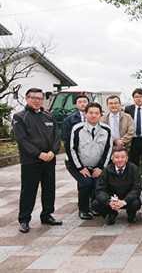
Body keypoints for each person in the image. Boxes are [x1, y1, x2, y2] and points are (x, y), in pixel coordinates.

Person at [12, 88, 62, 233]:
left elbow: (56, 136)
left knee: (49, 189)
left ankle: (47, 215)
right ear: (27, 99)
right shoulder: (20, 117)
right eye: (34, 98)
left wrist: (53, 151)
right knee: (29, 190)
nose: (37, 101)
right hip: (31, 161)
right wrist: (38, 154)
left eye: (40, 98)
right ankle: (24, 220)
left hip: (49, 160)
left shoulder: (48, 116)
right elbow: (22, 140)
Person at [68, 102, 113, 220]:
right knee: (85, 183)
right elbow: (71, 149)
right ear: (85, 114)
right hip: (77, 164)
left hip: (97, 165)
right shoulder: (77, 129)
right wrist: (80, 168)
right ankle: (83, 209)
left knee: (97, 183)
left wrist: (101, 168)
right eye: (91, 113)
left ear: (100, 115)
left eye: (96, 113)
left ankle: (95, 207)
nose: (94, 116)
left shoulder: (106, 130)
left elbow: (108, 150)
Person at [91, 147, 142, 225]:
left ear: (127, 158)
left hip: (126, 198)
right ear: (112, 159)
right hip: (112, 198)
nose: (120, 160)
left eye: (123, 157)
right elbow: (100, 190)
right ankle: (110, 214)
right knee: (95, 204)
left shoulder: (133, 169)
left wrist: (124, 201)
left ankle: (131, 214)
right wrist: (109, 202)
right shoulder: (106, 170)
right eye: (117, 157)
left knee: (136, 203)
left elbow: (136, 188)